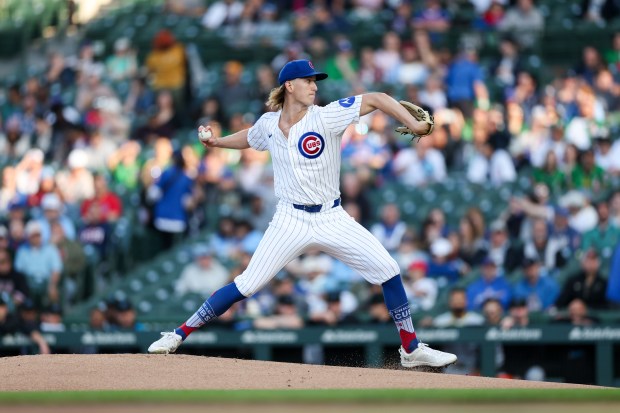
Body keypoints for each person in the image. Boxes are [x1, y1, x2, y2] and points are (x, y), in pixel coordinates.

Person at [148, 59, 457, 368]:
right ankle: (178, 333)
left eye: (315, 80)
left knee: (389, 270)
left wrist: (414, 124)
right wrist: (217, 142)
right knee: (246, 285)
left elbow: (376, 98)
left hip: (331, 217)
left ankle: (411, 348)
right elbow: (250, 136)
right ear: (289, 86)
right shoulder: (269, 123)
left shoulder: (326, 116)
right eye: (308, 80)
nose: (314, 85)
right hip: (289, 219)